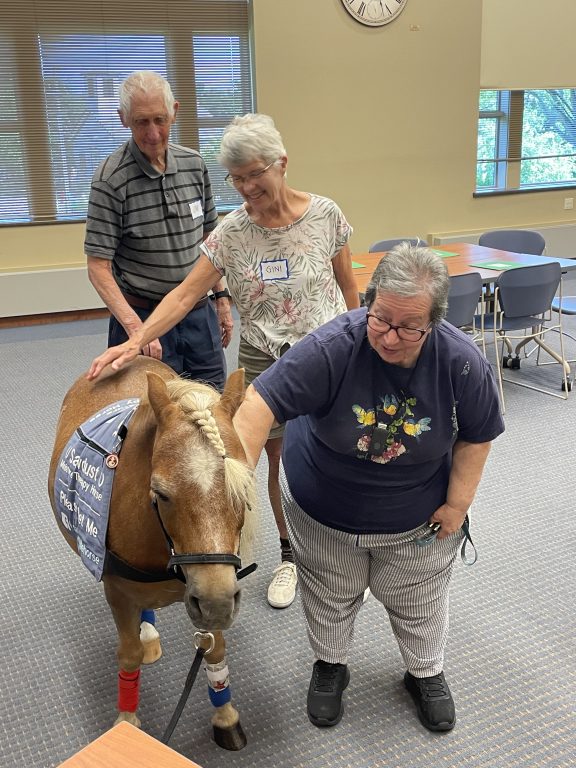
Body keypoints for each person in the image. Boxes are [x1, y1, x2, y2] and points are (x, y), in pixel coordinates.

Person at [87, 112, 360, 609]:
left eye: (255, 174)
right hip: (265, 361)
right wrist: (134, 339)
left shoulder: (326, 215)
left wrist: (360, 341)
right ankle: (286, 554)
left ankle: (343, 545)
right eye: (236, 178)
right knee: (260, 461)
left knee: (336, 447)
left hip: (328, 354)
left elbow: (348, 286)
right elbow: (182, 295)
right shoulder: (232, 233)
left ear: (281, 162)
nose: (246, 187)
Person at [230, 243, 505, 732]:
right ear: (369, 301)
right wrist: (235, 489)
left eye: (408, 327)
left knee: (418, 600)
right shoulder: (333, 346)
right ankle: (331, 666)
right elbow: (258, 403)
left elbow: (478, 435)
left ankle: (425, 673)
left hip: (416, 513)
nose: (391, 337)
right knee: (329, 594)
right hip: (325, 508)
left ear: (434, 323)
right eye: (381, 318)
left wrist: (458, 505)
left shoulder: (460, 361)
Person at [85, 70, 232, 391]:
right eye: (141, 122)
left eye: (160, 120)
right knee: (149, 420)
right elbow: (98, 267)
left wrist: (221, 297)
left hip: (197, 314)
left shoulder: (195, 164)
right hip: (142, 314)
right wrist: (138, 331)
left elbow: (211, 241)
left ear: (174, 112)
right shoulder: (111, 179)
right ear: (124, 118)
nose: (153, 133)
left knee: (211, 406)